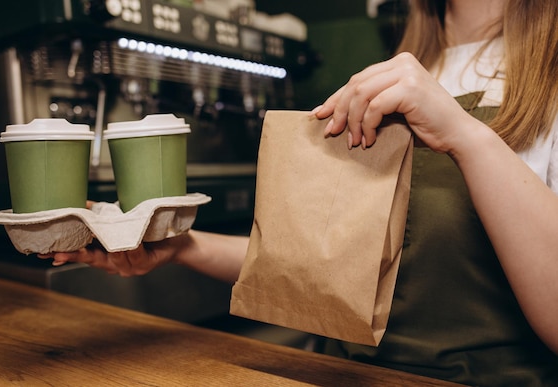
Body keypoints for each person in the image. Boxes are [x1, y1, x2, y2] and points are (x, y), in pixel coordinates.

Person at [40, 0, 558, 384]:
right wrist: (185, 247)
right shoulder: (391, 72)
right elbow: (328, 261)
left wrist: (468, 138)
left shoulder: (546, 85)